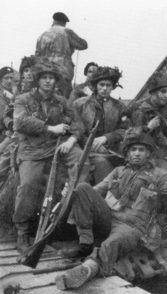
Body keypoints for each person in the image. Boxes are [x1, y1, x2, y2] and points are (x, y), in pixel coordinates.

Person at [55, 127, 167, 290]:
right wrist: (70, 194)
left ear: (149, 154)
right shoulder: (118, 172)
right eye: (133, 150)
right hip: (108, 218)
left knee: (111, 244)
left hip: (133, 229)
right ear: (127, 153)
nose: (137, 154)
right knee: (82, 188)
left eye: (141, 150)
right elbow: (93, 193)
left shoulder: (160, 177)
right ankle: (84, 242)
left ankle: (87, 269)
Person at [13, 61, 89, 253]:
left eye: (52, 78)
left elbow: (78, 125)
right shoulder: (23, 99)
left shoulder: (61, 101)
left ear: (56, 81)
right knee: (29, 183)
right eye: (44, 78)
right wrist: (49, 128)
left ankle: (66, 218)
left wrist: (71, 140)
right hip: (32, 149)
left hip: (57, 146)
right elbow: (20, 122)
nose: (48, 82)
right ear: (38, 80)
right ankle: (22, 231)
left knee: (82, 163)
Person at [73, 66, 129, 183]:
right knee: (101, 164)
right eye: (101, 84)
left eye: (108, 85)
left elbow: (125, 130)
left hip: (112, 150)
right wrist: (90, 143)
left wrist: (106, 138)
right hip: (84, 150)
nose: (104, 88)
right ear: (95, 86)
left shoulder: (120, 107)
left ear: (113, 87)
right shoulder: (80, 104)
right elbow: (75, 129)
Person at [130, 73, 167, 180]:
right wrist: (148, 128)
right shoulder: (140, 109)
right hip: (150, 155)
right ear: (153, 93)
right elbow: (133, 138)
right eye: (163, 92)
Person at [35, 12, 88, 97]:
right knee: (63, 99)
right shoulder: (66, 31)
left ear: (54, 21)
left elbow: (37, 55)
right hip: (62, 71)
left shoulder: (42, 35)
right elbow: (83, 45)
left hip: (44, 72)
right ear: (64, 22)